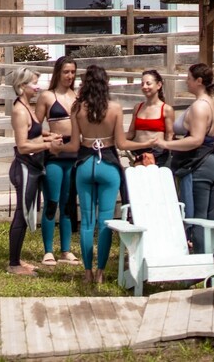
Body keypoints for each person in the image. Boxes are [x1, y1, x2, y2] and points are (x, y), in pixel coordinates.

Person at [61, 65, 154, 285]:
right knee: (105, 221)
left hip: (84, 164)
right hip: (108, 165)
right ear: (106, 84)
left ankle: (87, 273)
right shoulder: (114, 108)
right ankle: (101, 273)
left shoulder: (77, 108)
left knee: (86, 222)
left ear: (85, 84)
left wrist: (56, 149)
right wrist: (147, 142)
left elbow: (74, 145)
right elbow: (121, 143)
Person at [156, 63, 214, 254]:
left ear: (199, 81)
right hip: (211, 162)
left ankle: (203, 268)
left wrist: (166, 144)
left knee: (198, 219)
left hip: (199, 166)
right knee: (210, 216)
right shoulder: (213, 103)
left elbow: (196, 139)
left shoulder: (200, 107)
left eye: (188, 78)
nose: (186, 81)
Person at [5, 67, 62, 276]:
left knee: (27, 213)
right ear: (22, 86)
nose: (38, 87)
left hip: (34, 168)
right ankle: (13, 265)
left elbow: (34, 132)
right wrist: (48, 146)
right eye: (34, 83)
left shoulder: (28, 107)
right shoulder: (20, 110)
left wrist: (48, 136)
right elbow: (22, 146)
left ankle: (17, 259)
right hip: (24, 168)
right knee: (21, 214)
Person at [33, 56, 81, 267]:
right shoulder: (47, 96)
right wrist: (49, 137)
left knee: (69, 204)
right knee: (52, 202)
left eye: (72, 72)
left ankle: (66, 250)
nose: (69, 76)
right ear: (57, 73)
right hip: (54, 154)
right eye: (65, 72)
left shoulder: (78, 97)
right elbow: (33, 128)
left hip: (74, 154)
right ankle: (48, 250)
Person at [127, 69, 173, 167]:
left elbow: (169, 135)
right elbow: (131, 133)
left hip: (158, 156)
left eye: (148, 83)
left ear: (159, 85)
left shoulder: (166, 109)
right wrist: (113, 136)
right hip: (138, 155)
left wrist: (165, 154)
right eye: (142, 84)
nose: (144, 87)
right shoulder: (137, 107)